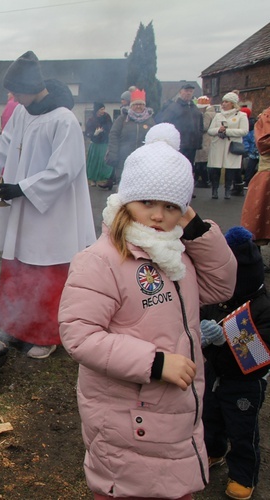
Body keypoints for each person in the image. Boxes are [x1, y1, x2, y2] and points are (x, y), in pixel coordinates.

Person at [58, 123, 237, 500]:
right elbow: (79, 333)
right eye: (148, 203)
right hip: (129, 412)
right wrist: (155, 363)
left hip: (175, 411)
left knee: (174, 485)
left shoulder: (176, 254)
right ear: (127, 201)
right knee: (129, 488)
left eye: (171, 206)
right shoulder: (101, 260)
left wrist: (196, 229)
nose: (158, 216)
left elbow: (221, 286)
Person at [0, 50, 96, 359]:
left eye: (16, 90)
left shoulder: (63, 120)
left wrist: (23, 188)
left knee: (45, 272)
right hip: (22, 206)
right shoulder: (21, 112)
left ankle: (45, 336)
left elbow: (64, 170)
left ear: (31, 86)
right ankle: (18, 328)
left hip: (51, 213)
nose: (12, 96)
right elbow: (5, 142)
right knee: (19, 267)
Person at [200, 226, 269, 500]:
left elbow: (259, 357)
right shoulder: (215, 297)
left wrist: (224, 340)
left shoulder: (262, 308)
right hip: (214, 372)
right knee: (209, 417)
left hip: (246, 384)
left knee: (243, 432)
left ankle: (243, 474)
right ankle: (214, 451)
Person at [102, 88, 154, 189]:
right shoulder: (122, 119)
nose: (138, 106)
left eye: (141, 104)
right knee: (123, 187)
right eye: (136, 104)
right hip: (124, 159)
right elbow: (113, 135)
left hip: (144, 161)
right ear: (131, 105)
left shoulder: (150, 121)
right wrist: (113, 154)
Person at [207, 92, 249, 200]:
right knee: (215, 168)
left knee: (230, 168)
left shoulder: (241, 116)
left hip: (232, 145)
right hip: (218, 144)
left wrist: (227, 131)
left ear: (233, 103)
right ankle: (215, 191)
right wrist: (218, 130)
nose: (223, 104)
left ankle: (227, 191)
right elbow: (210, 130)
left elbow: (244, 131)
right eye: (223, 102)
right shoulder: (218, 115)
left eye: (226, 102)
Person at [156, 83, 203, 170]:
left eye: (190, 91)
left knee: (189, 167)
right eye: (186, 91)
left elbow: (200, 126)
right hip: (179, 144)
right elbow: (165, 123)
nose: (188, 93)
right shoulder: (173, 107)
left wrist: (199, 140)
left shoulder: (195, 108)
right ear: (180, 92)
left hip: (192, 145)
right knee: (178, 167)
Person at [241, 106, 270, 245]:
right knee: (259, 219)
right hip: (267, 177)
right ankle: (255, 260)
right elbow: (263, 144)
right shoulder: (267, 117)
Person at [84, 102, 112, 187]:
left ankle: (102, 178)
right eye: (101, 109)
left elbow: (110, 127)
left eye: (103, 109)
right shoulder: (91, 120)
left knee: (103, 161)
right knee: (94, 162)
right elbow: (87, 132)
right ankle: (92, 179)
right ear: (97, 110)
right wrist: (94, 133)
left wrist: (104, 131)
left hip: (104, 143)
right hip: (95, 143)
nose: (103, 111)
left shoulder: (107, 117)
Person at [194, 95, 216, 189]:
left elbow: (204, 126)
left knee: (202, 160)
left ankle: (205, 181)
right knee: (204, 161)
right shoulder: (213, 113)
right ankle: (206, 180)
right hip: (210, 138)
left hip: (205, 139)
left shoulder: (207, 114)